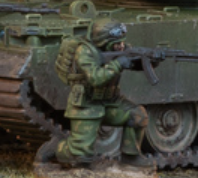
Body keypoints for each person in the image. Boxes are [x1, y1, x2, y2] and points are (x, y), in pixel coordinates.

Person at [46, 18, 152, 169]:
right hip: (86, 104)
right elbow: (95, 78)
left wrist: (151, 60)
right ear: (104, 42)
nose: (122, 46)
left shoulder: (119, 49)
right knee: (81, 156)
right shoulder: (84, 51)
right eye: (117, 43)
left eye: (122, 42)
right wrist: (118, 64)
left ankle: (131, 156)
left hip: (111, 102)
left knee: (138, 115)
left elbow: (135, 62)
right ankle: (56, 148)